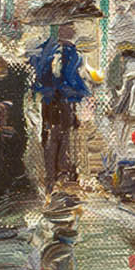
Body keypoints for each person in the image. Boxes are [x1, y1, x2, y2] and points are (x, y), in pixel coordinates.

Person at [28, 26, 92, 191]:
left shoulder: (47, 49)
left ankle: (52, 177)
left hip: (50, 101)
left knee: (52, 136)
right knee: (62, 136)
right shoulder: (72, 54)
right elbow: (73, 78)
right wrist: (84, 93)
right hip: (63, 102)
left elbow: (36, 67)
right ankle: (59, 175)